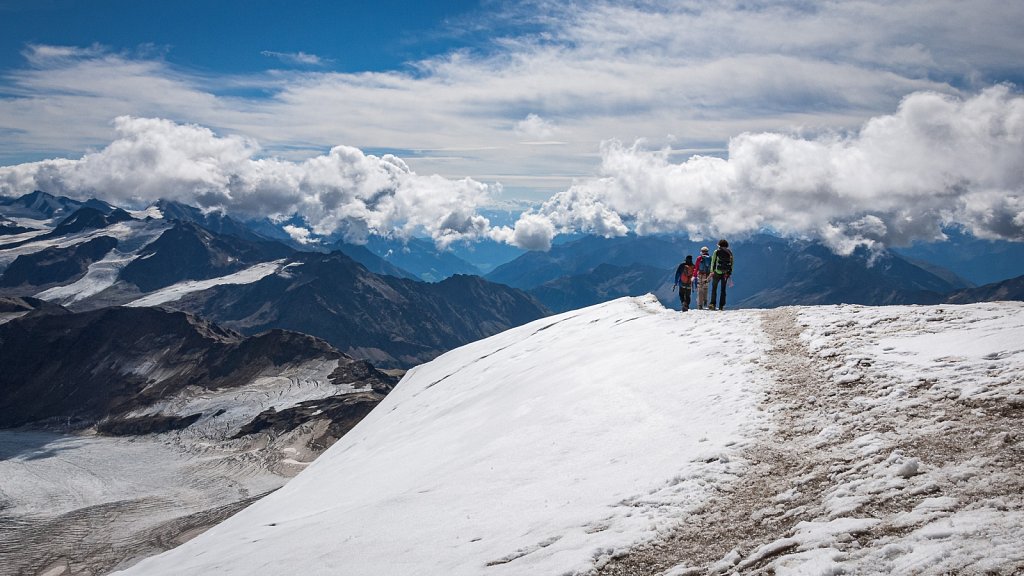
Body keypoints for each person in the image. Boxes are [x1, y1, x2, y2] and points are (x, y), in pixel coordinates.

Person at [709, 239, 733, 311]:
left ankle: (713, 304)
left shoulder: (716, 252)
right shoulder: (730, 252)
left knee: (714, 288)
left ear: (719, 245)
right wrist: (729, 272)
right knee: (723, 290)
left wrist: (712, 271)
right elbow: (732, 263)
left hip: (717, 272)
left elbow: (713, 262)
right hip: (725, 273)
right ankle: (721, 306)